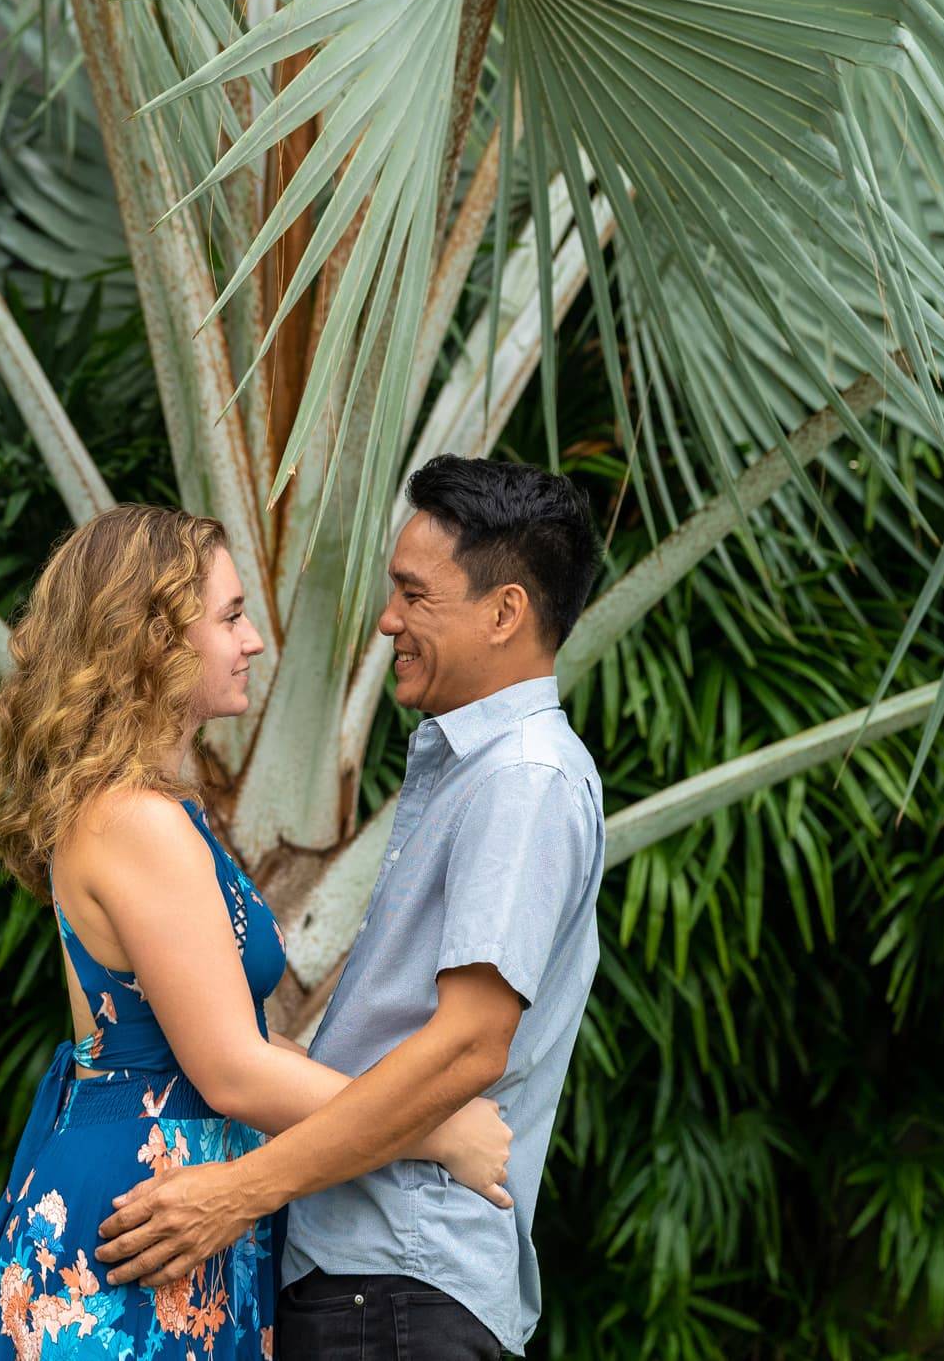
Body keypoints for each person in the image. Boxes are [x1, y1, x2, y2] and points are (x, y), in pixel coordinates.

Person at [0, 504, 514, 1361]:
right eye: (229, 617)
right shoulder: (135, 820)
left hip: (177, 1197)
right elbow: (232, 1070)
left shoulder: (152, 810)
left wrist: (396, 1105)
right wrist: (434, 1132)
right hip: (145, 1211)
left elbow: (244, 1041)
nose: (253, 640)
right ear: (153, 642)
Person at [94, 459, 606, 1360]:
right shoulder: (481, 770)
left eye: (415, 594)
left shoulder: (522, 779)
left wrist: (239, 1191)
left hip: (400, 1281)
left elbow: (470, 1045)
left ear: (504, 612)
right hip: (379, 1280)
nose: (387, 619)